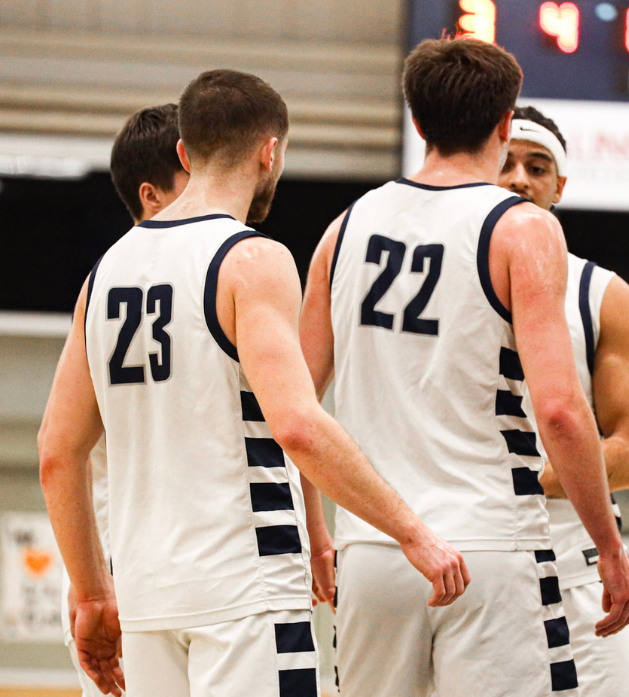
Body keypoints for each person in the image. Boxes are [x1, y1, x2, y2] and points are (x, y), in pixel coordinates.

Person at [38, 68, 466, 697]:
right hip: (244, 586)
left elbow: (56, 452)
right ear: (271, 153)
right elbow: (297, 424)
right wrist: (411, 530)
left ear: (184, 150)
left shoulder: (106, 270)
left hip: (145, 594)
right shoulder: (253, 258)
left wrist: (92, 591)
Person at [299, 38, 629, 697]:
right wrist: (610, 548)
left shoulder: (343, 229)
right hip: (491, 543)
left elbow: (293, 412)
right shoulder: (521, 228)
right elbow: (564, 411)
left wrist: (317, 529)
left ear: (418, 123)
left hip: (373, 549)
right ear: (504, 123)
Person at [498, 105, 629, 697]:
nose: (519, 179)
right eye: (506, 163)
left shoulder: (602, 294)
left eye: (537, 167)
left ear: (559, 187)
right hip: (469, 551)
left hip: (575, 552)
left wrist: (517, 480)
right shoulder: (433, 282)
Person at [56, 102, 189, 697]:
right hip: (152, 567)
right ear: (151, 194)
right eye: (197, 175)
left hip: (146, 566)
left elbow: (60, 453)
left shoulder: (103, 281)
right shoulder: (215, 276)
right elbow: (59, 452)